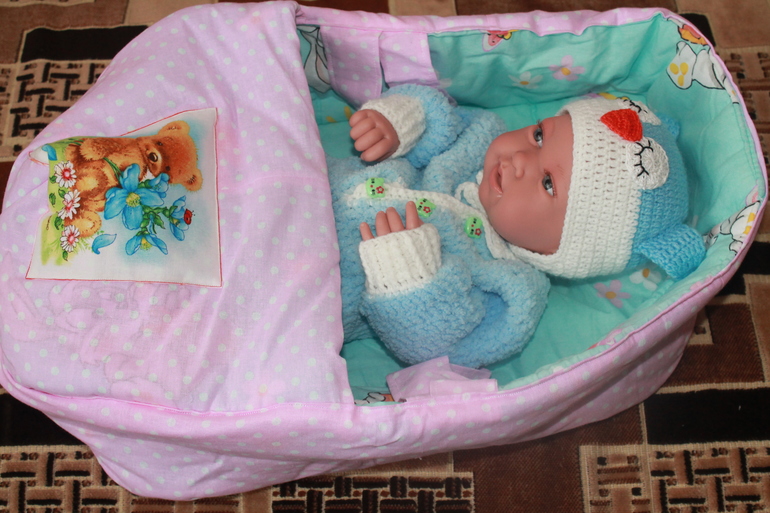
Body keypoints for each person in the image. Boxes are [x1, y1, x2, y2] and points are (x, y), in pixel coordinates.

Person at [328, 85, 705, 369]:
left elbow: (438, 349)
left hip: (321, 293)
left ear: (561, 249)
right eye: (539, 136)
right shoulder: (476, 140)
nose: (520, 158)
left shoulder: (511, 288)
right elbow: (436, 114)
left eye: (548, 183)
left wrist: (405, 278)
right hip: (311, 183)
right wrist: (396, 124)